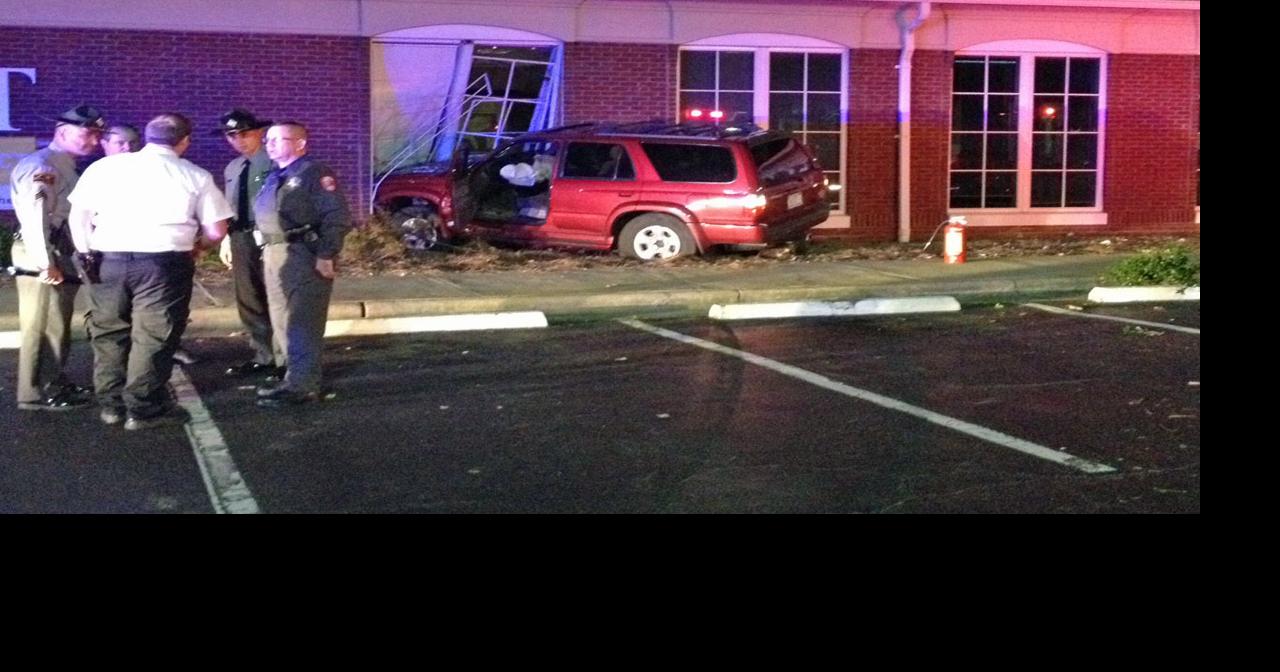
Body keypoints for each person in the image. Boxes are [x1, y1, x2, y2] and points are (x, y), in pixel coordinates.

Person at [67, 113, 231, 430]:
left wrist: (86, 252)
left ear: (147, 136)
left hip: (106, 259)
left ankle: (111, 405)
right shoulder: (193, 174)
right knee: (154, 335)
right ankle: (143, 408)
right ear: (184, 141)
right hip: (163, 263)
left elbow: (80, 217)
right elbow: (216, 229)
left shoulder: (104, 168)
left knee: (109, 331)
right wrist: (198, 244)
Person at [8, 104, 104, 411]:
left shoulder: (63, 165)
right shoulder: (45, 167)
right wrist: (43, 261)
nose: (93, 140)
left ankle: (54, 380)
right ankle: (36, 392)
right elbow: (35, 216)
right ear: (62, 132)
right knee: (41, 323)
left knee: (56, 323)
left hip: (57, 250)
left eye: (97, 134)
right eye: (87, 133)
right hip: (44, 250)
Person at [253, 121, 351, 408]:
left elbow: (336, 216)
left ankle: (304, 386)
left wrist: (326, 254)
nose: (269, 144)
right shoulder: (275, 175)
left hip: (303, 253)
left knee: (302, 320)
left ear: (299, 144)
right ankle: (292, 375)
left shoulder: (314, 173)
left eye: (277, 139)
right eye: (267, 139)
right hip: (274, 251)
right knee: (281, 316)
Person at [98, 122, 200, 366]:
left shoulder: (151, 169)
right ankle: (137, 395)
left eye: (132, 142)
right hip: (114, 255)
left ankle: (126, 392)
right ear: (104, 145)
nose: (127, 148)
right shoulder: (100, 171)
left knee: (151, 321)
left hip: (150, 254)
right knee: (116, 326)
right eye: (119, 143)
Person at [214, 109, 279, 378]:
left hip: (269, 236)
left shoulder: (274, 163)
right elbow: (230, 206)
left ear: (259, 133)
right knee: (249, 297)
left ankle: (283, 356)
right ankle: (264, 355)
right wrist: (227, 238)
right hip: (241, 236)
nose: (238, 140)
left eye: (245, 133)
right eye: (232, 135)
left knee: (275, 297)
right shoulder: (233, 167)